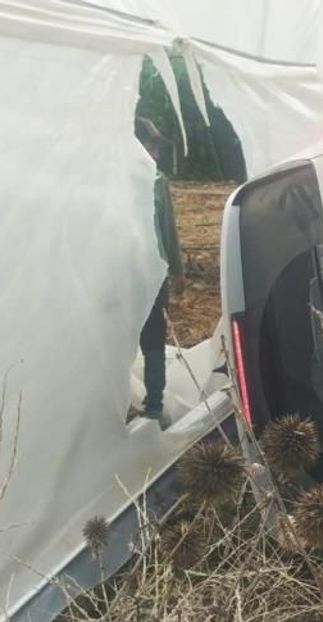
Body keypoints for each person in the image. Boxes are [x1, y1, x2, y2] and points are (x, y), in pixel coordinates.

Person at [134, 118, 184, 424]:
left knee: (153, 342)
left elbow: (168, 229)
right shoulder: (112, 181)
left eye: (155, 145)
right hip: (124, 275)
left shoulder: (158, 181)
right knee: (120, 340)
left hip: (154, 276)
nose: (156, 152)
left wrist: (177, 270)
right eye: (150, 144)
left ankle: (154, 403)